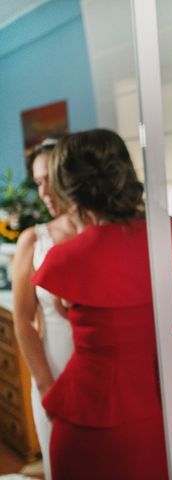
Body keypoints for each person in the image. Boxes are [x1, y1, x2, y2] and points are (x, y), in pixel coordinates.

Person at [30, 129, 172, 480]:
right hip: (156, 399)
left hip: (91, 414)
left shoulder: (65, 259)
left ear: (70, 190)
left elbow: (61, 311)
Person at [12, 137, 77, 480]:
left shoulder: (102, 232)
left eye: (52, 177)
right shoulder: (33, 240)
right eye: (38, 182)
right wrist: (45, 386)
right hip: (53, 373)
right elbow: (22, 321)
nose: (46, 191)